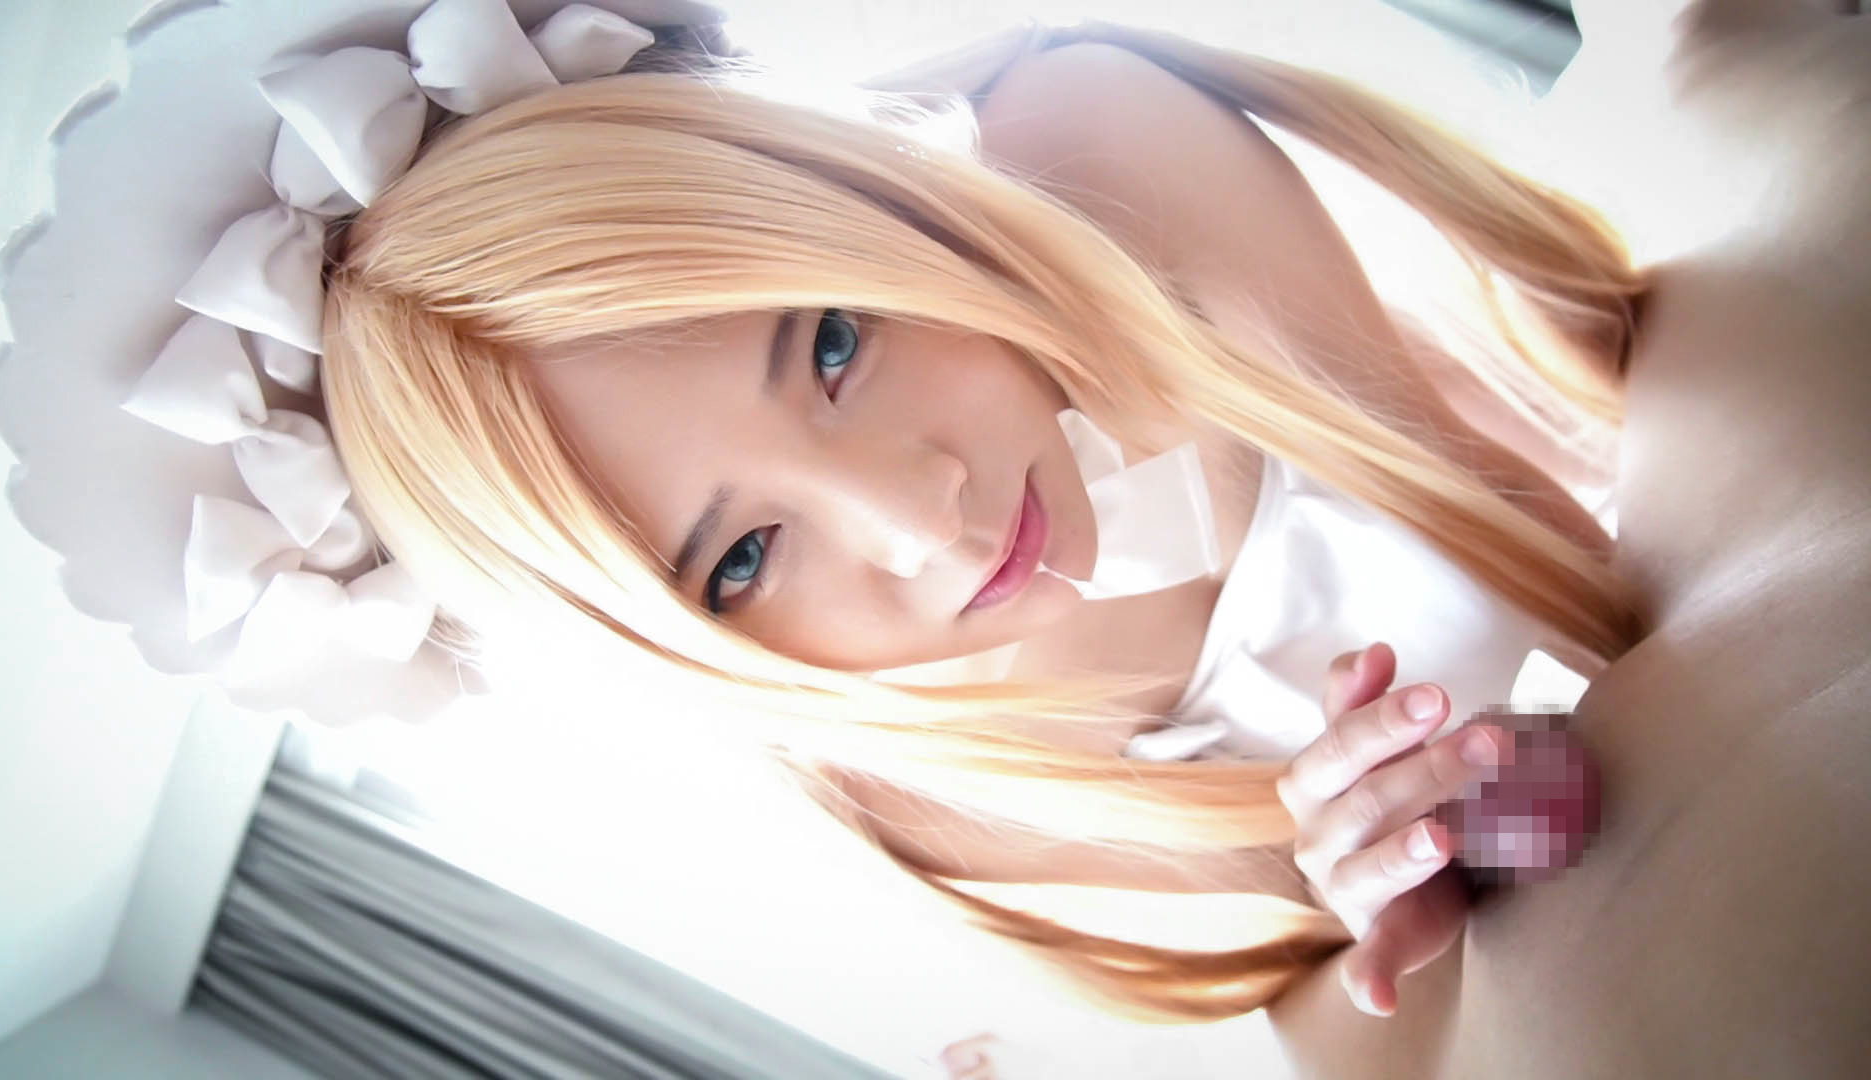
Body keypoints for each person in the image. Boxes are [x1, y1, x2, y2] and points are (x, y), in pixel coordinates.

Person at [319, 0, 1651, 1044]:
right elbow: (1328, 965)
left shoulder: (1099, 155)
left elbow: (1525, 528)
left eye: (833, 343)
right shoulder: (912, 784)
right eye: (741, 559)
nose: (923, 518)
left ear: (862, 204)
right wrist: (1370, 873)